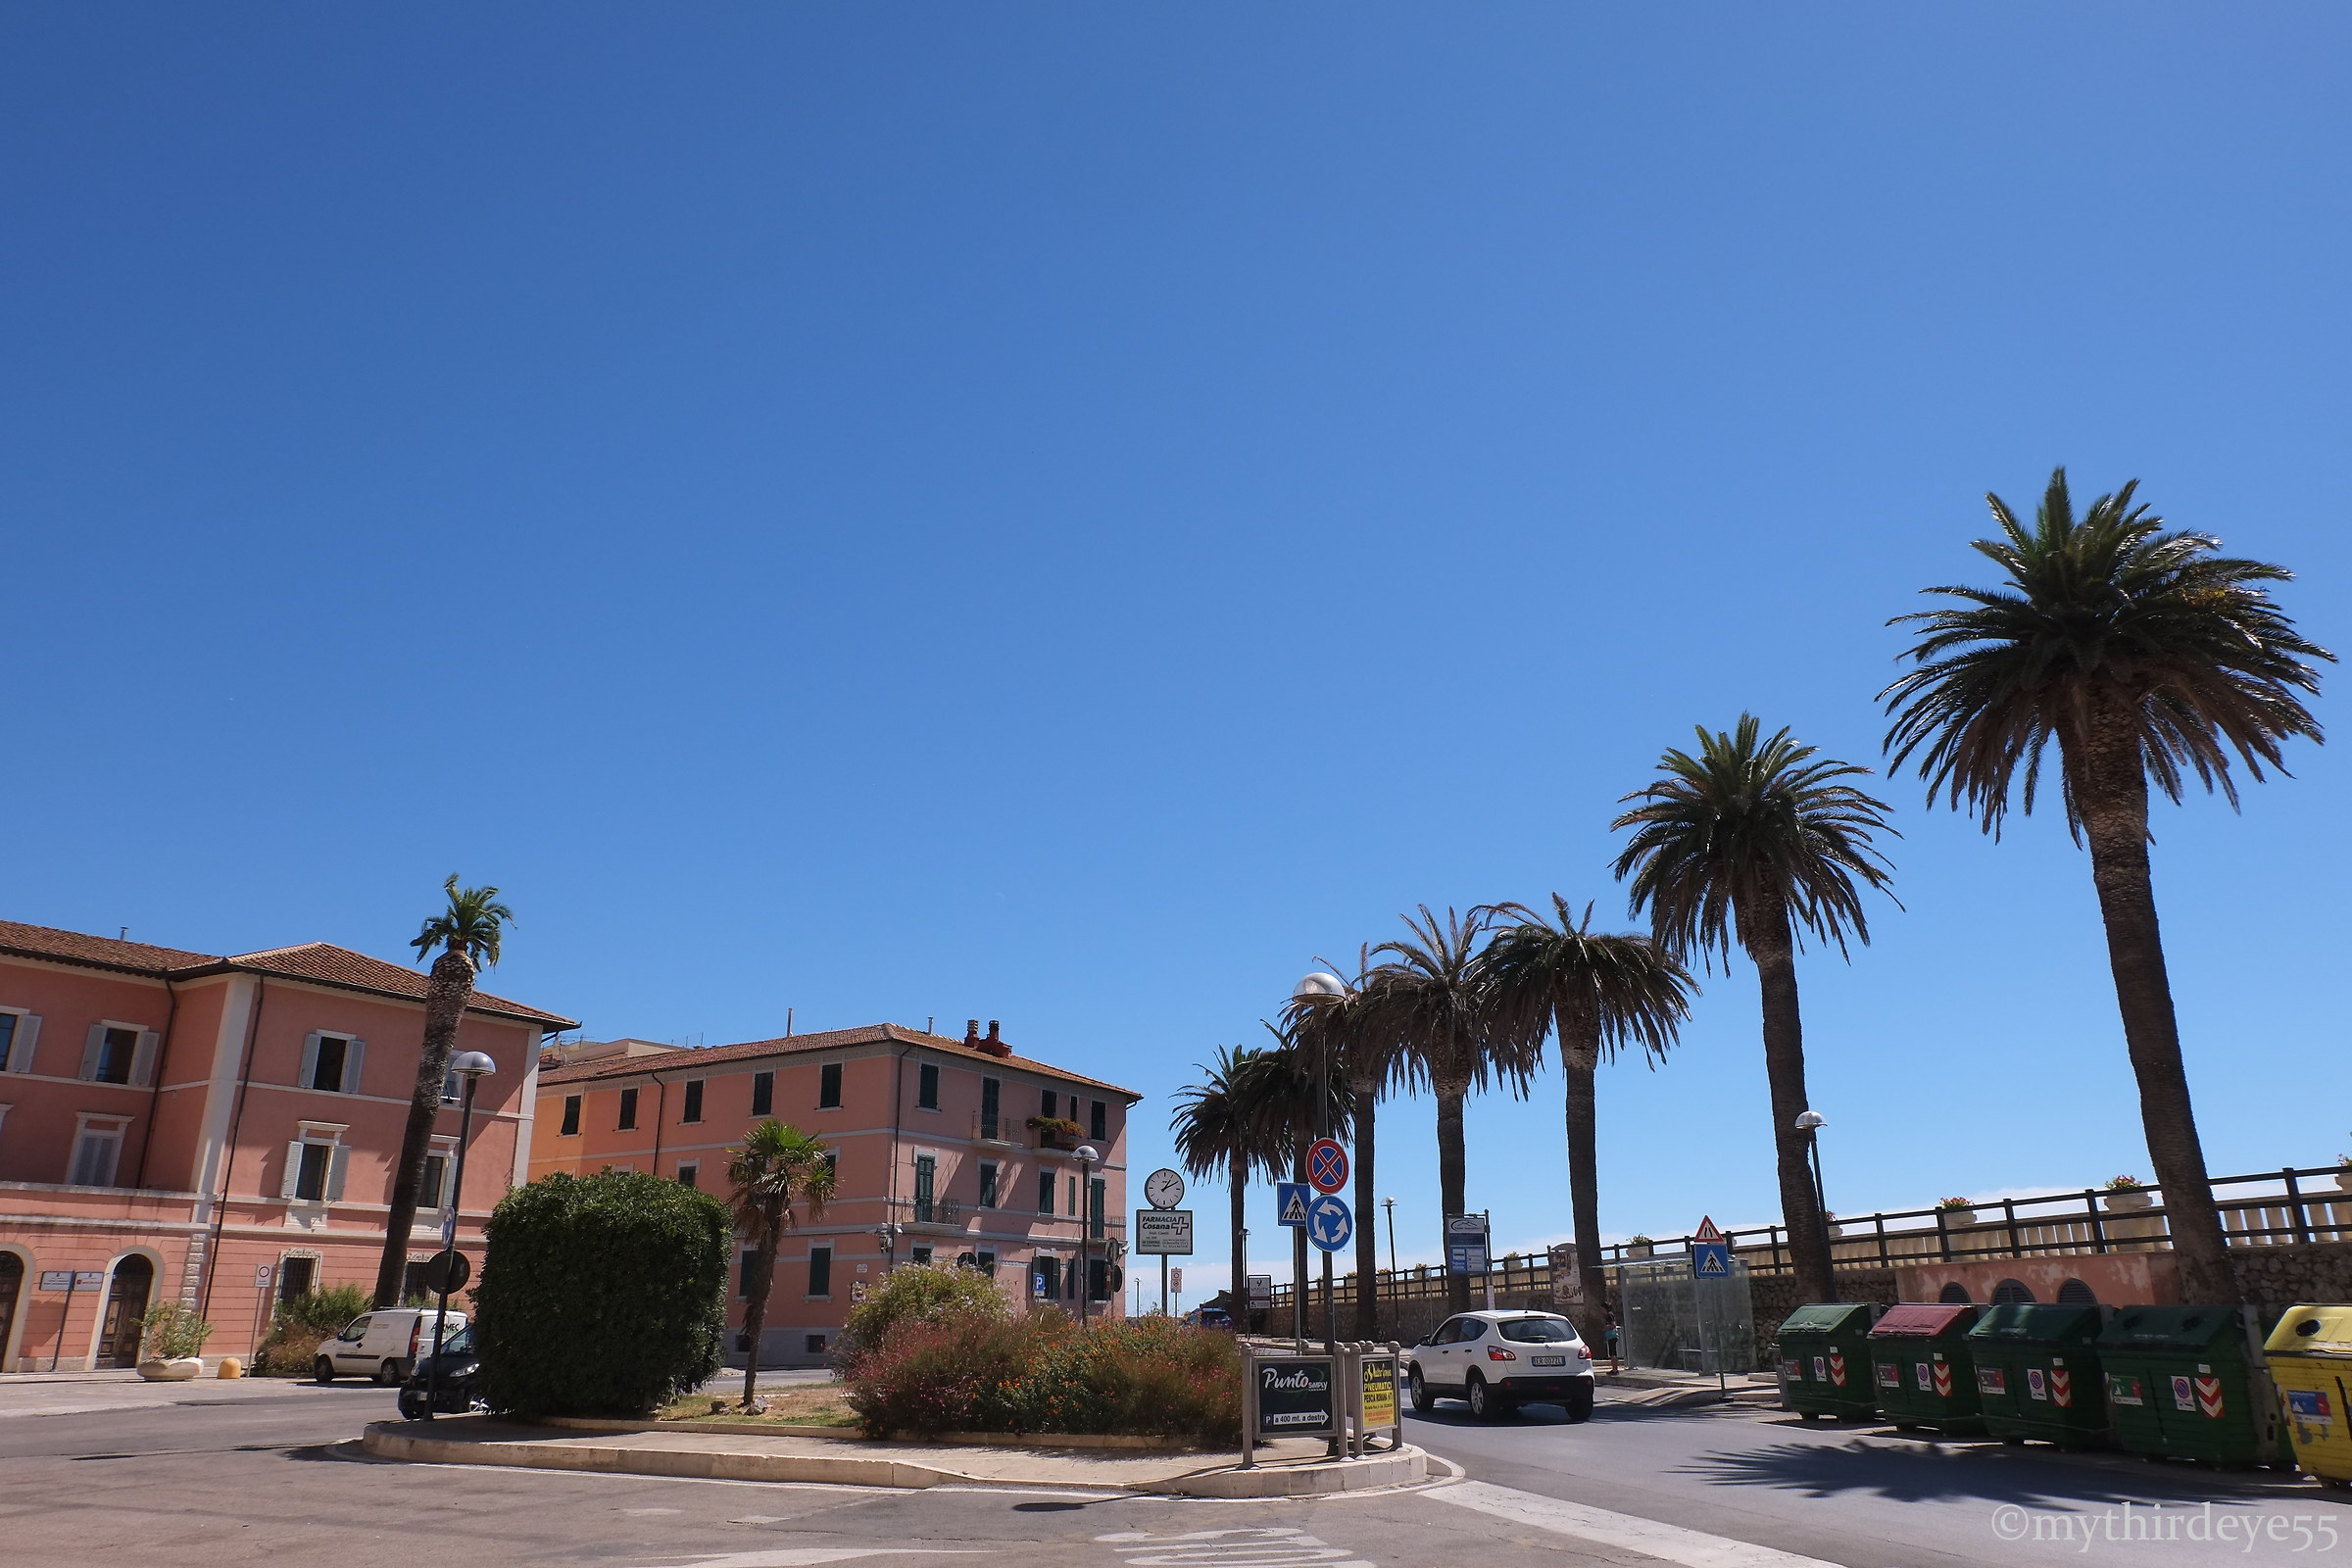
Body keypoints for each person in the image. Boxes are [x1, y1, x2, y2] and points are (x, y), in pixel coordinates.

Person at [1602, 1304, 1622, 1373]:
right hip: (1612, 1336)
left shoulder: (1609, 1315)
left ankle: (1614, 1369)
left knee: (1612, 1353)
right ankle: (1615, 1368)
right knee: (1614, 1353)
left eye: (1602, 1309)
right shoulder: (1609, 1315)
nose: (1601, 1311)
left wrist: (1605, 1328)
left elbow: (1613, 1325)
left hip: (1612, 1336)